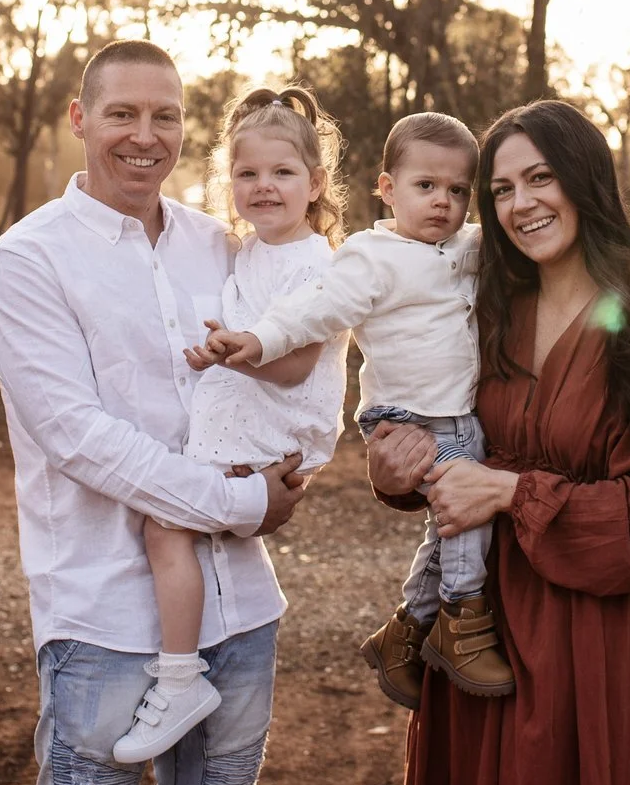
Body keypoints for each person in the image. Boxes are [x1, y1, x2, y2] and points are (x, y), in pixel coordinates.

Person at [0, 39, 310, 785]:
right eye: (122, 113)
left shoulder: (224, 244)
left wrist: (298, 463)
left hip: (239, 608)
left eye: (165, 115)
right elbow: (78, 439)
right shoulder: (28, 259)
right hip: (105, 618)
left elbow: (293, 363)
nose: (145, 135)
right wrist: (244, 501)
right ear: (80, 118)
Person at [366, 98, 630, 785]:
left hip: (593, 640)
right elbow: (423, 425)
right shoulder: (480, 312)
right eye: (501, 188)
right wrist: (393, 465)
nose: (521, 203)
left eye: (541, 178)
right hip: (478, 632)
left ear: (585, 182)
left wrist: (513, 491)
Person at [195, 111, 514, 702]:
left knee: (445, 528)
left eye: (456, 191)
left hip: (459, 415)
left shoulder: (468, 245)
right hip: (403, 417)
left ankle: (406, 629)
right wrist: (257, 340)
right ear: (388, 189)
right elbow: (313, 309)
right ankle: (463, 616)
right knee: (470, 502)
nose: (442, 202)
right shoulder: (371, 256)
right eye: (425, 186)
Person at [119, 86, 349, 763]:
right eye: (247, 173)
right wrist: (216, 350)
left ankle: (180, 675)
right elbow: (238, 343)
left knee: (165, 525)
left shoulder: (318, 266)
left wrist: (240, 351)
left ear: (316, 183)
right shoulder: (247, 251)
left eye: (282, 172)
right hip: (244, 428)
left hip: (273, 437)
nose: (263, 186)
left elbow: (293, 367)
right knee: (169, 528)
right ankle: (189, 662)